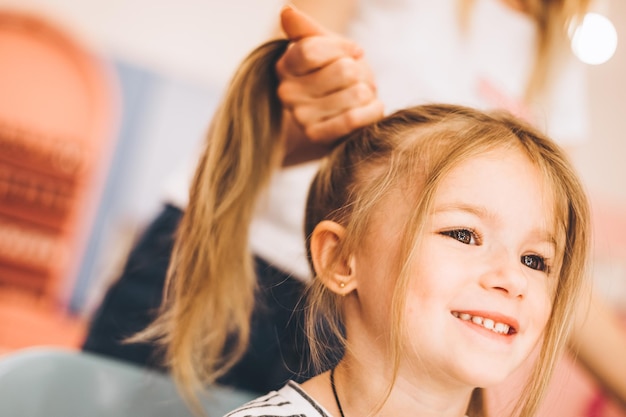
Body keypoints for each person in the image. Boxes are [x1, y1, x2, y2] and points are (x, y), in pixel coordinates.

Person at [82, 0, 626, 408]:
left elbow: (545, 243)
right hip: (228, 271)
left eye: (533, 264)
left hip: (357, 322)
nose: (512, 276)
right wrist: (295, 118)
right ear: (337, 256)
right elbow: (260, 123)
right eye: (463, 235)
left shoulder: (557, 54)